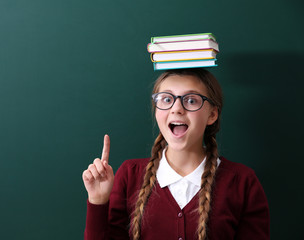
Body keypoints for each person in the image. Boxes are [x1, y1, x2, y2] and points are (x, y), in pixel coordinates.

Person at [82, 68, 270, 240]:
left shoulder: (243, 182)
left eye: (191, 100)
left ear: (212, 115)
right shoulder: (130, 174)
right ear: (156, 110)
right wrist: (97, 201)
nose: (176, 108)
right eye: (166, 99)